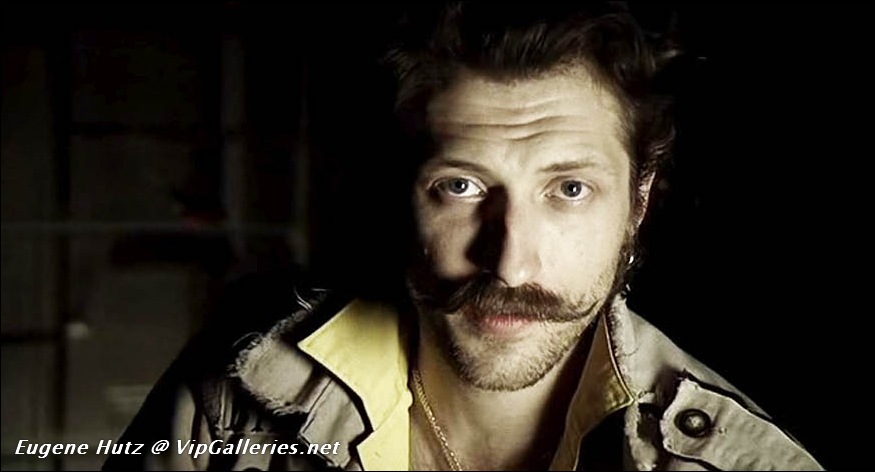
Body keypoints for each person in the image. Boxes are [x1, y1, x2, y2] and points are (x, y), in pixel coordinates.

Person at [105, 2, 823, 470]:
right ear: (399, 191)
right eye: (461, 187)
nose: (509, 262)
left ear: (636, 203)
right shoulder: (227, 402)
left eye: (569, 190)